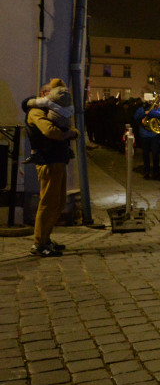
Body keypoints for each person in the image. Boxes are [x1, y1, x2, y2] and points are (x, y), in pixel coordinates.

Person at [23, 78, 78, 257]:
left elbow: (71, 130)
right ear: (44, 94)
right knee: (47, 203)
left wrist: (70, 133)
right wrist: (68, 134)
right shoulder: (36, 111)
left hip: (58, 161)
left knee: (58, 202)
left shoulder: (53, 111)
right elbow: (49, 131)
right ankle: (39, 244)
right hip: (48, 162)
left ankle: (46, 238)